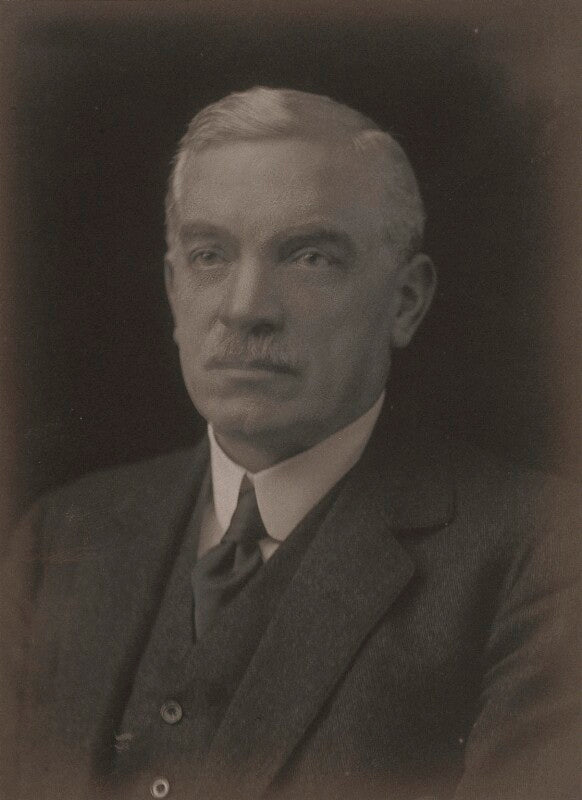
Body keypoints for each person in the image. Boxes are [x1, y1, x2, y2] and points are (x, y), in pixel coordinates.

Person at [1, 87, 579, 800]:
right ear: (174, 290)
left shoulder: (539, 553)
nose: (246, 308)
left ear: (405, 302)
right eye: (210, 255)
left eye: (309, 258)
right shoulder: (59, 536)